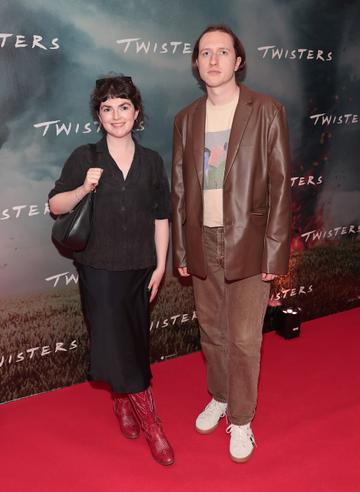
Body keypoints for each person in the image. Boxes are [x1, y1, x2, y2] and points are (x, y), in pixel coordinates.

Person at [171, 25, 291, 463]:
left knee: (244, 338)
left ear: (238, 61)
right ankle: (219, 397)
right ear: (196, 63)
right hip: (203, 240)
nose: (214, 60)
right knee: (213, 333)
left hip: (250, 242)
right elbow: (180, 189)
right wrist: (182, 251)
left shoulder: (266, 110)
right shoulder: (185, 119)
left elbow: (280, 186)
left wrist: (276, 251)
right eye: (205, 53)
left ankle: (241, 420)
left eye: (223, 52)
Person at [49, 75, 174, 466]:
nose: (115, 115)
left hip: (139, 267)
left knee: (133, 342)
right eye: (107, 108)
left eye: (123, 107)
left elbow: (162, 218)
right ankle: (151, 423)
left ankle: (121, 401)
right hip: (99, 269)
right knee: (118, 343)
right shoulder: (85, 156)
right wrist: (84, 188)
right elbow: (55, 206)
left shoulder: (152, 160)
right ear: (98, 115)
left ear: (136, 113)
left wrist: (161, 265)